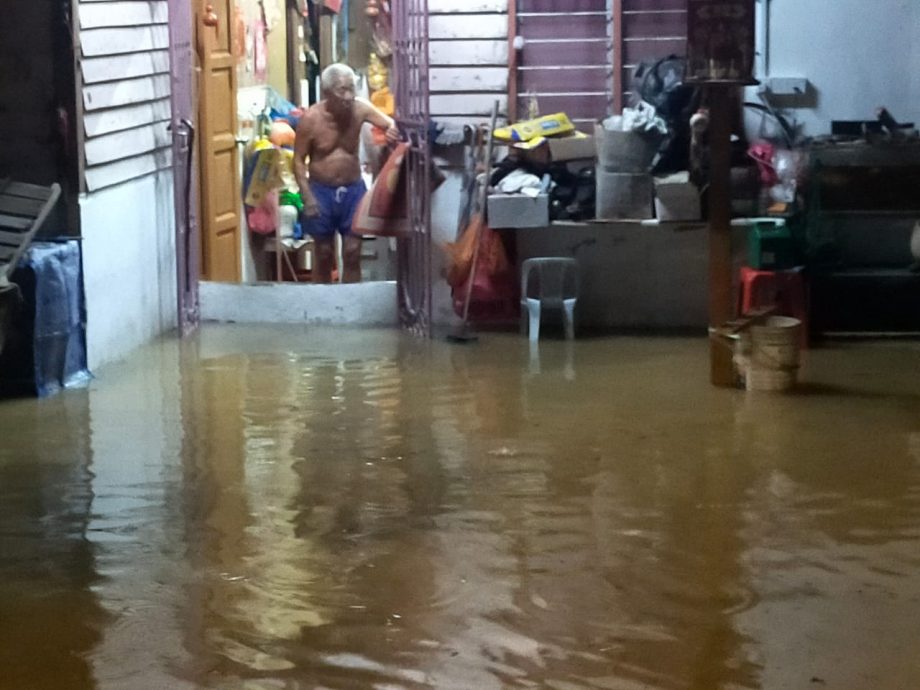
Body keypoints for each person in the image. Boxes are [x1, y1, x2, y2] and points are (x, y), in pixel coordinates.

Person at [294, 63, 400, 283]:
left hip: (353, 189)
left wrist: (391, 132)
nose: (349, 96)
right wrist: (307, 196)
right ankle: (323, 301)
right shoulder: (311, 119)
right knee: (323, 253)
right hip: (321, 191)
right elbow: (298, 161)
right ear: (327, 92)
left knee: (352, 252)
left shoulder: (360, 109)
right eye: (342, 90)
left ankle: (351, 302)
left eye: (352, 88)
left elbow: (390, 124)